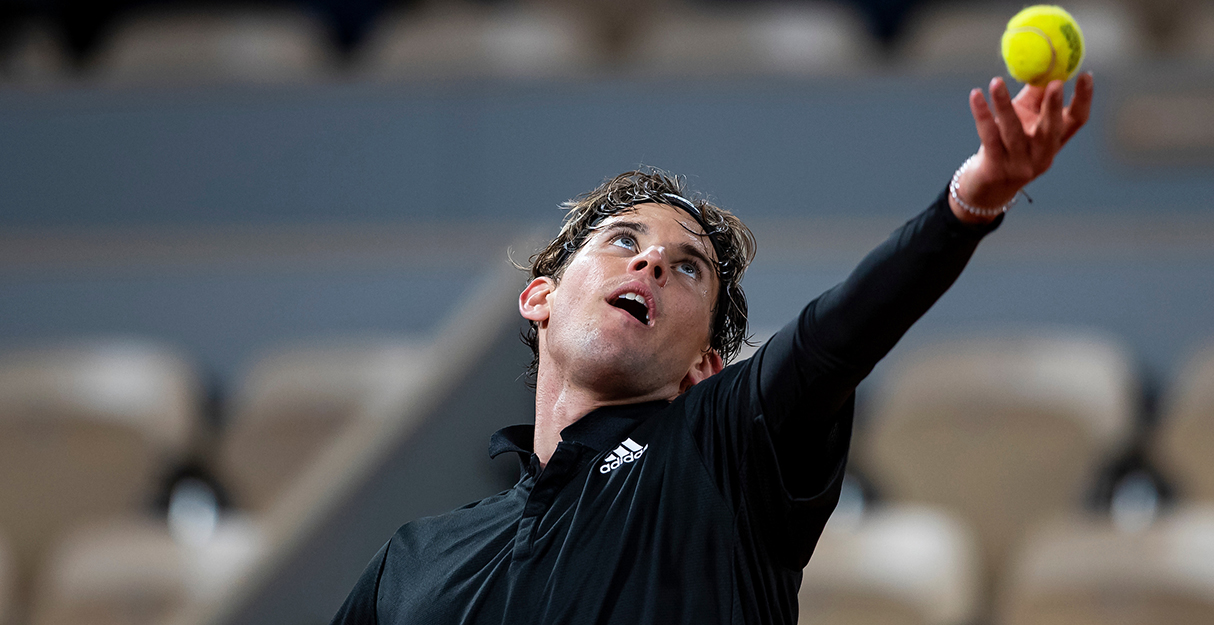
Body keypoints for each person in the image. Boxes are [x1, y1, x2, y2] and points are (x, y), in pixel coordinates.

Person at [331, 74, 1094, 625]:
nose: (652, 261)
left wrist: (972, 199)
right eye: (623, 239)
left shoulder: (721, 454)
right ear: (540, 297)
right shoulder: (414, 559)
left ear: (705, 366)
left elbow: (840, 334)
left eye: (687, 265)